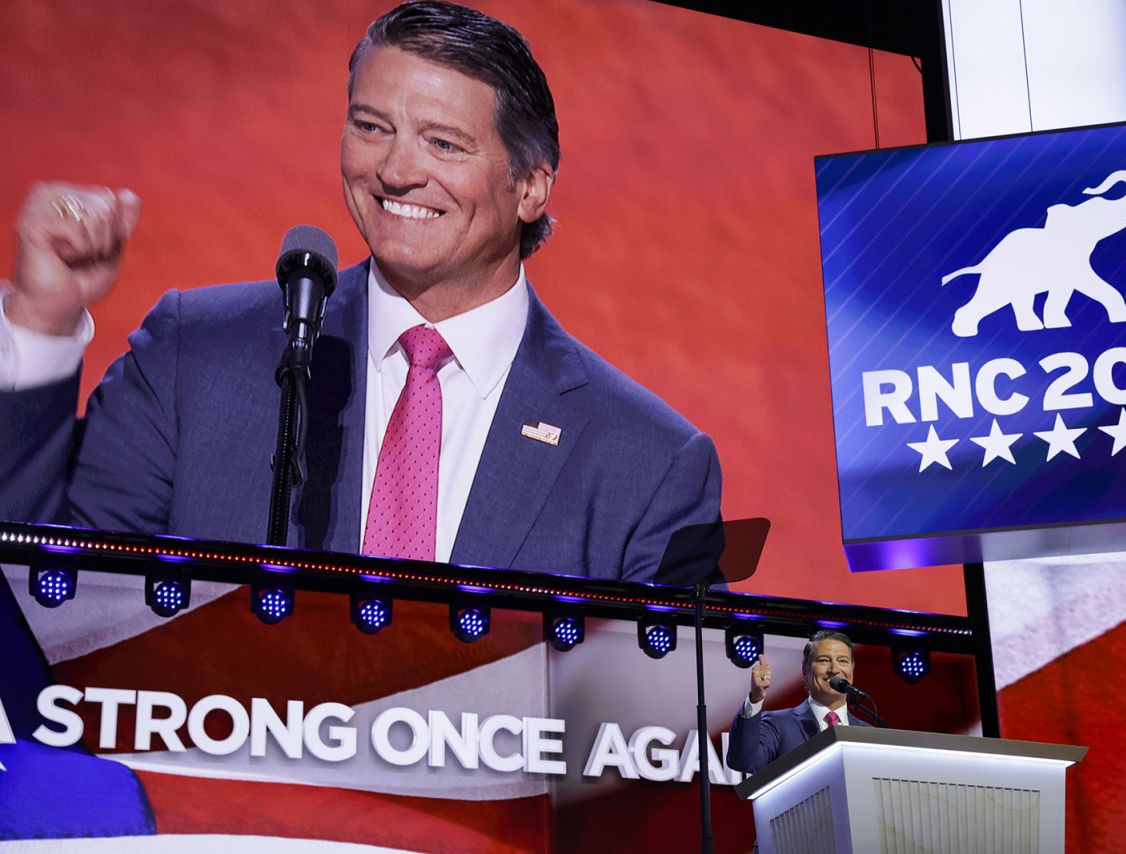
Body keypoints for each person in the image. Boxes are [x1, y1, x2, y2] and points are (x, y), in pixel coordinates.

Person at [0, 1, 721, 584]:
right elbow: (39, 591)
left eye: (444, 143)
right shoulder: (197, 357)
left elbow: (668, 728)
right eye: (372, 127)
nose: (395, 170)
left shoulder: (647, 461)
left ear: (531, 185)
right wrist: (41, 320)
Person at [726, 630, 871, 774]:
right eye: (824, 660)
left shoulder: (869, 735)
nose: (834, 669)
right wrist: (756, 697)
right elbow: (743, 761)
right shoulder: (778, 724)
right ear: (805, 672)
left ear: (852, 672)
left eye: (842, 661)